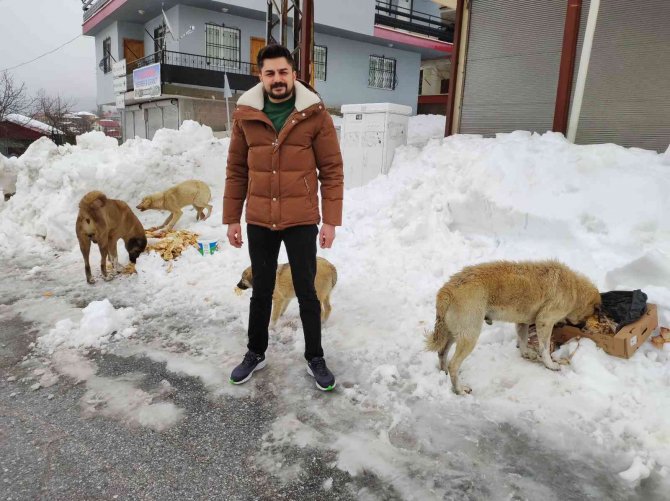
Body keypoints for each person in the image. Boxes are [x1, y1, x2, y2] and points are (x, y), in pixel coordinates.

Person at [223, 44, 344, 391]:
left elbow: (332, 169)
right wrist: (232, 217)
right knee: (262, 290)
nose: (277, 79)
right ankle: (255, 352)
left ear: (294, 73)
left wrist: (331, 221)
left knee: (307, 291)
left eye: (283, 72)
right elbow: (236, 169)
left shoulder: (314, 114)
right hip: (260, 218)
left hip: (301, 218)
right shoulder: (246, 113)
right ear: (260, 76)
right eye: (270, 73)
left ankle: (315, 357)